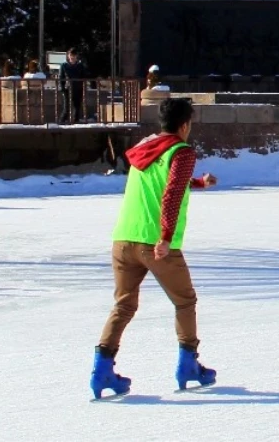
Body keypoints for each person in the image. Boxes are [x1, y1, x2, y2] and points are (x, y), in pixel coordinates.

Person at [91, 98, 218, 399]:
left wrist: (198, 183)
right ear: (185, 125)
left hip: (123, 239)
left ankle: (101, 371)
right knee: (185, 301)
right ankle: (188, 365)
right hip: (155, 243)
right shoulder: (181, 151)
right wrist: (165, 237)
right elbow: (171, 193)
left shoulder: (145, 149)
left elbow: (161, 183)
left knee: (123, 306)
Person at [59, 48, 87, 124]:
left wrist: (83, 86)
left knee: (77, 107)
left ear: (76, 56)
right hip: (67, 88)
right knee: (66, 108)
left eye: (74, 55)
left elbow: (84, 76)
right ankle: (61, 123)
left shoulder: (80, 65)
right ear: (68, 56)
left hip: (78, 88)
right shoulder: (64, 65)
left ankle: (76, 122)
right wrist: (62, 88)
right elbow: (61, 77)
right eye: (71, 55)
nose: (72, 57)